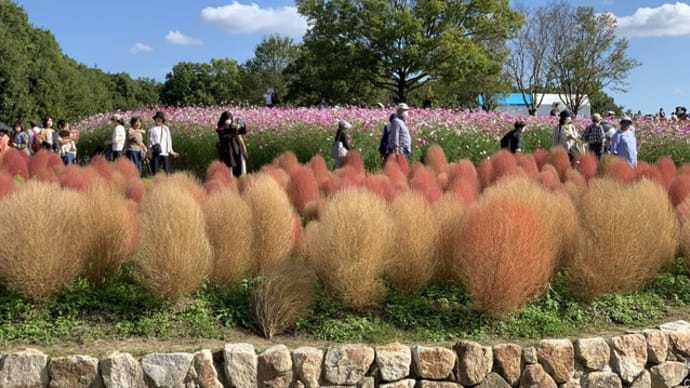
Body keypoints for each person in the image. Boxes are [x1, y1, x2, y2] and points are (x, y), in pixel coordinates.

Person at [215, 111, 248, 177]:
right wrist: (234, 129)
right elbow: (224, 135)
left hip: (237, 149)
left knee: (240, 166)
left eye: (230, 118)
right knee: (229, 167)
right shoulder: (220, 129)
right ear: (223, 119)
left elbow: (243, 132)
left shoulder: (233, 127)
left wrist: (242, 125)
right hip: (227, 151)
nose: (229, 120)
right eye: (227, 119)